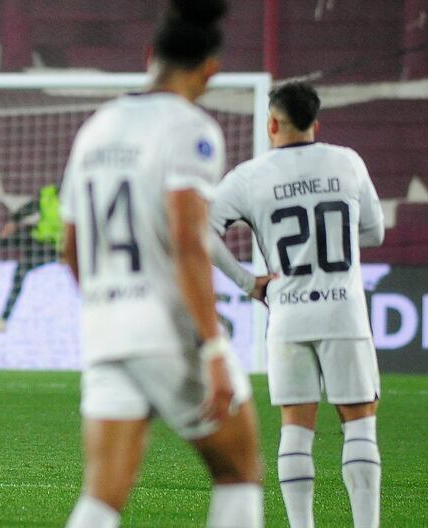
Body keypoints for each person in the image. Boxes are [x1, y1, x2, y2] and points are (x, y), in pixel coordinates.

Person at [60, 2, 264, 527]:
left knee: (103, 494)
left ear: (150, 55)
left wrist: (111, 304)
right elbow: (187, 240)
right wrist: (215, 346)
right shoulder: (191, 129)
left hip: (105, 328)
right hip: (166, 332)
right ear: (211, 69)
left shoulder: (96, 127)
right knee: (239, 469)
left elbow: (70, 246)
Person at [210, 81, 385, 527]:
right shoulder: (347, 161)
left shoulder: (250, 176)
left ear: (271, 123)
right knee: (360, 423)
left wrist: (249, 282)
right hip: (343, 310)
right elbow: (374, 232)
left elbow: (199, 232)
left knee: (296, 428)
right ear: (315, 123)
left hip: (287, 314)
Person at [0, 184, 61, 333]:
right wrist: (14, 221)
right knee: (17, 236)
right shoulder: (48, 194)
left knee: (21, 270)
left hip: (55, 248)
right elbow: (28, 208)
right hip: (38, 238)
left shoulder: (74, 199)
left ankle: (3, 319)